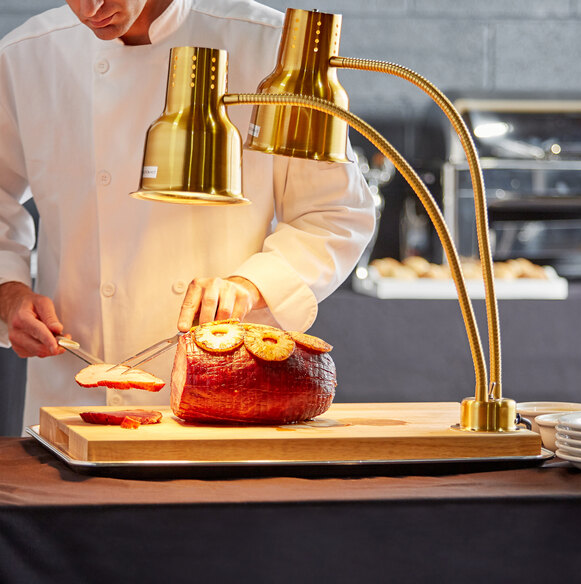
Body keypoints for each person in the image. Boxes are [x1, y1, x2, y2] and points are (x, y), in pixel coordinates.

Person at [0, 0, 375, 430]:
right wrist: (8, 293)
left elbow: (334, 213)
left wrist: (251, 285)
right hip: (69, 397)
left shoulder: (272, 49)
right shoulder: (25, 56)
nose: (91, 8)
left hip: (224, 395)